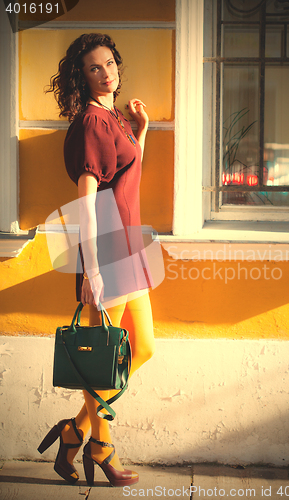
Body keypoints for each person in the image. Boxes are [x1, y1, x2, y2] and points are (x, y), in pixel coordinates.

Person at [37, 33, 155, 487]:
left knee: (140, 348)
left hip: (130, 248)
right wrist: (90, 269)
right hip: (106, 252)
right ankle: (101, 447)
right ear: (81, 79)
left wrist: (140, 130)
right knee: (99, 360)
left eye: (109, 63)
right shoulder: (92, 122)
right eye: (94, 68)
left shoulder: (114, 117)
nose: (107, 73)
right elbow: (85, 203)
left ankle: (74, 433)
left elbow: (126, 171)